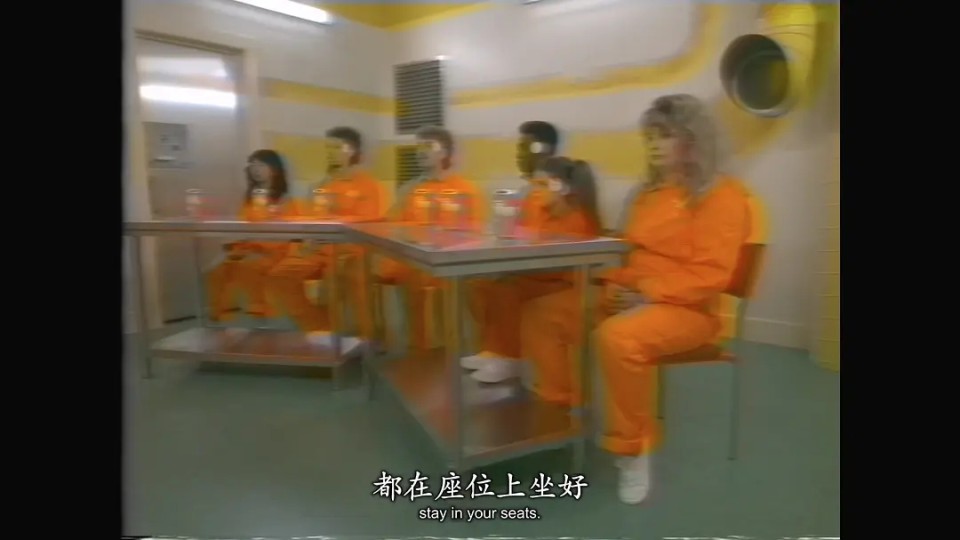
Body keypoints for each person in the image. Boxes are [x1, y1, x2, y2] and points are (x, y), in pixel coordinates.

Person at [519, 94, 752, 505]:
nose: (655, 145)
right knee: (545, 312)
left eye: (665, 135)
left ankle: (633, 450)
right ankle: (561, 415)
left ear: (693, 138)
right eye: (651, 137)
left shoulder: (722, 195)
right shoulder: (647, 194)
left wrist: (645, 293)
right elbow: (629, 254)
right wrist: (614, 282)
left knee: (618, 338)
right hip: (634, 294)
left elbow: (711, 276)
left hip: (690, 310)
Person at [463, 156, 601, 383]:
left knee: (506, 289)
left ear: (563, 188)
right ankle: (493, 350)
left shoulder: (578, 219)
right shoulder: (541, 210)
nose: (535, 190)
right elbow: (524, 236)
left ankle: (511, 358)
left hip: (564, 283)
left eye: (543, 184)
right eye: (535, 184)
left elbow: (559, 266)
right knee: (482, 284)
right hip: (539, 275)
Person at [265, 127, 384, 349]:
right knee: (280, 275)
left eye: (337, 147)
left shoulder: (368, 185)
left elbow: (368, 224)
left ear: (352, 150)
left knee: (345, 277)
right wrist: (306, 241)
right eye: (328, 147)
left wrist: (336, 218)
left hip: (351, 251)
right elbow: (313, 219)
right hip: (319, 249)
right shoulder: (322, 185)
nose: (330, 152)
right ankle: (321, 328)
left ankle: (368, 342)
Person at [380, 125, 487, 351]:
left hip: (452, 264)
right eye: (418, 146)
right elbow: (392, 226)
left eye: (428, 145)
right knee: (409, 279)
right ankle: (419, 350)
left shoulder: (465, 189)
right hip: (415, 264)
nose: (421, 151)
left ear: (444, 152)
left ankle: (454, 350)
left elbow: (477, 234)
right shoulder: (409, 190)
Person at [206, 149, 302, 322]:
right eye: (252, 165)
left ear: (274, 169)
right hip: (247, 249)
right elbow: (242, 226)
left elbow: (290, 234)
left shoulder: (285, 200)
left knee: (249, 267)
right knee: (217, 269)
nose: (255, 169)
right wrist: (234, 245)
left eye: (261, 165)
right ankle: (219, 316)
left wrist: (259, 246)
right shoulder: (249, 199)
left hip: (275, 252)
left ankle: (259, 315)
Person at [516, 121, 562, 228]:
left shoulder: (553, 193)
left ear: (543, 151)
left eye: (524, 148)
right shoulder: (527, 192)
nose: (518, 155)